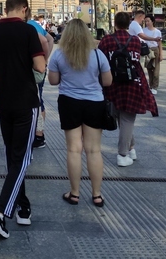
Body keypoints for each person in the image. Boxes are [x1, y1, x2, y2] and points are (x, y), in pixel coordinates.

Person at [0, 0, 46, 239]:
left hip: (3, 101)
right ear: (25, 9)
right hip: (26, 101)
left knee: (13, 156)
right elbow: (40, 67)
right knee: (23, 158)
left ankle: (24, 207)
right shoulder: (28, 32)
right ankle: (0, 212)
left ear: (5, 9)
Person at [47, 19, 112, 207]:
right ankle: (97, 194)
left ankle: (74, 193)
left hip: (69, 102)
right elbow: (107, 81)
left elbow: (53, 81)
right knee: (94, 149)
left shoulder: (60, 55)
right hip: (94, 103)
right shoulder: (98, 55)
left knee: (74, 149)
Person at [98, 11, 158, 168]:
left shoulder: (106, 40)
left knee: (121, 117)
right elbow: (137, 60)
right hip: (132, 83)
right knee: (127, 119)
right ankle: (124, 153)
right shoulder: (135, 41)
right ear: (129, 24)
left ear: (115, 24)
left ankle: (128, 150)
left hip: (112, 82)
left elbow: (100, 61)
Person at [28, 13, 53, 149]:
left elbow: (44, 41)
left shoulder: (28, 26)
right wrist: (45, 58)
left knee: (36, 100)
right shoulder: (34, 24)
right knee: (39, 98)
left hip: (33, 68)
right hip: (39, 67)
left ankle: (38, 134)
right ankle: (39, 134)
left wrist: (43, 60)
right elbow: (49, 40)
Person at [142, 16, 162, 94]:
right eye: (145, 21)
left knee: (156, 70)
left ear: (152, 21)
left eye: (148, 21)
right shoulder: (143, 31)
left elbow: (160, 43)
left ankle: (155, 86)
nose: (147, 23)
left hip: (155, 49)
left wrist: (161, 54)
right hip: (147, 50)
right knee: (149, 69)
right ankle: (151, 86)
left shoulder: (157, 32)